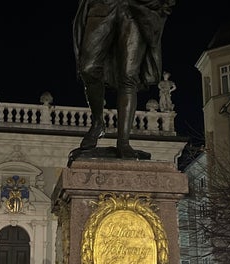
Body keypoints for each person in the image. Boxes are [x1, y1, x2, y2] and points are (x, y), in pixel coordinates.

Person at [73, 0, 175, 158]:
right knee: (88, 68)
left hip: (136, 8)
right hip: (102, 5)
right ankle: (98, 123)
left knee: (128, 77)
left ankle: (123, 142)